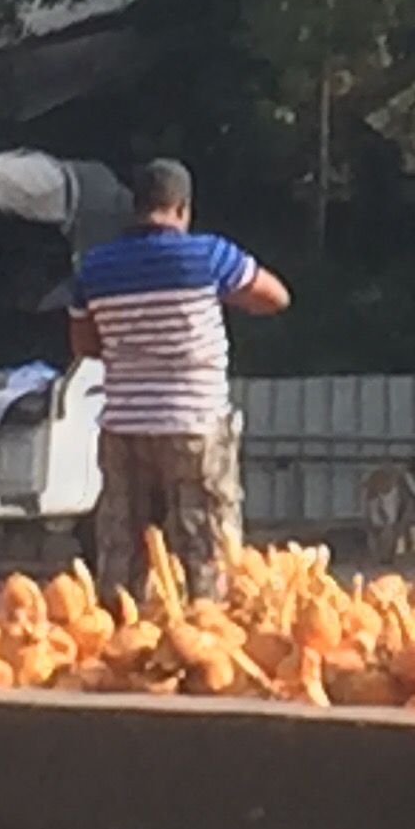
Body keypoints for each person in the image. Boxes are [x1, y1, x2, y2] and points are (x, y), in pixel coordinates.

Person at [67, 159, 290, 605]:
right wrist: (223, 299)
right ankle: (208, 627)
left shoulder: (94, 267)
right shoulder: (209, 255)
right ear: (183, 208)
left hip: (125, 427)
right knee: (206, 543)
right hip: (194, 424)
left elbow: (84, 345)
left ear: (134, 207)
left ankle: (120, 631)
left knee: (122, 548)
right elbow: (276, 297)